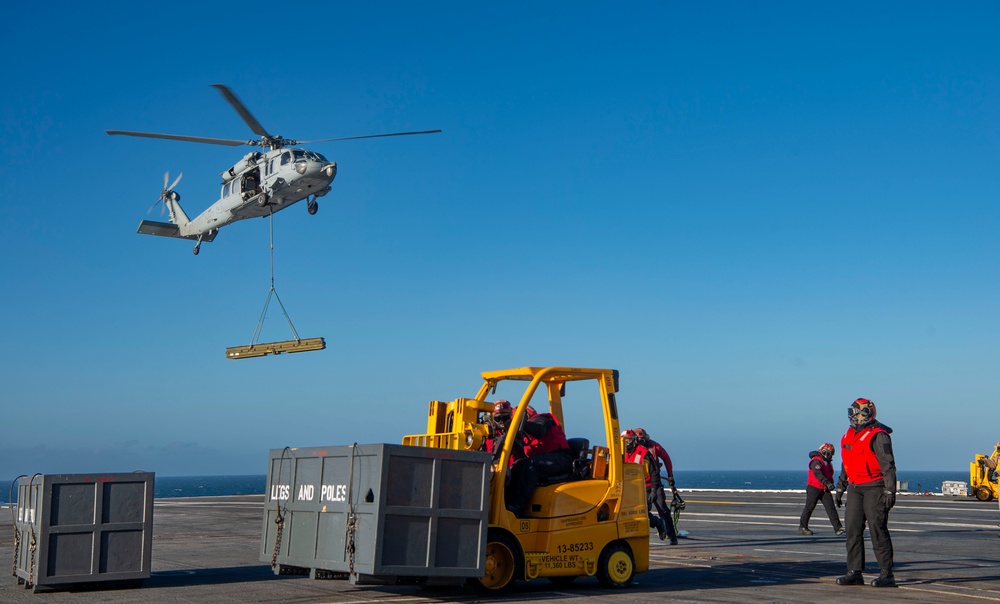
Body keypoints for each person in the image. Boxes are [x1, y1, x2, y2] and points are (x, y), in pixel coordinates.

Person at [834, 398, 898, 588]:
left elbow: (888, 465)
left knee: (877, 529)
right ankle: (854, 571)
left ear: (867, 413)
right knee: (852, 530)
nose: (853, 415)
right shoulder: (849, 435)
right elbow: (847, 463)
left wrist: (889, 490)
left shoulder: (879, 435)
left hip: (875, 487)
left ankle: (887, 573)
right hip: (855, 487)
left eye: (856, 411)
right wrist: (840, 486)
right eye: (851, 411)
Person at [504, 406, 574, 517]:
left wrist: (519, 424)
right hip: (545, 459)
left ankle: (516, 508)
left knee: (531, 465)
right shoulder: (525, 433)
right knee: (517, 465)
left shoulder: (541, 419)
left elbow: (539, 430)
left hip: (561, 457)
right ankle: (505, 504)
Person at [624, 430, 679, 545]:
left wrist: (668, 477)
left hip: (654, 484)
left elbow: (657, 469)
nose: (628, 444)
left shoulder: (646, 452)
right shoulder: (622, 454)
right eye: (626, 441)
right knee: (639, 513)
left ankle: (672, 535)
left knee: (663, 509)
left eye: (630, 441)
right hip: (638, 488)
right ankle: (658, 524)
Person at [798, 443, 845, 535]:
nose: (831, 455)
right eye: (831, 453)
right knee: (809, 507)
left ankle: (838, 528)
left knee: (831, 508)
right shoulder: (816, 461)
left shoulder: (827, 463)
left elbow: (829, 474)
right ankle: (803, 526)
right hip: (814, 488)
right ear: (825, 452)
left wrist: (829, 484)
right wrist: (827, 482)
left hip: (824, 489)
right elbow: (817, 473)